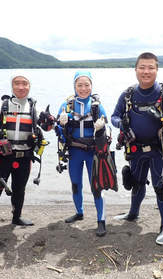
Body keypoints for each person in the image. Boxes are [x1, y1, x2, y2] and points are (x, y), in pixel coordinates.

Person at [111, 52, 163, 245]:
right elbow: (114, 116)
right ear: (135, 69)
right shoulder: (127, 94)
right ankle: (133, 214)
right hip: (135, 149)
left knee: (161, 188)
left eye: (151, 67)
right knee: (136, 182)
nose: (146, 71)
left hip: (159, 151)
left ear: (157, 70)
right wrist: (122, 123)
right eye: (142, 67)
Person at [0, 74, 47, 243]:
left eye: (25, 83)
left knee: (19, 190)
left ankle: (16, 217)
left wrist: (52, 121)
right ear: (12, 86)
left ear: (29, 86)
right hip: (3, 158)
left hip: (25, 157)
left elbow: (48, 127)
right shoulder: (0, 106)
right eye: (17, 83)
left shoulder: (35, 109)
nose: (21, 87)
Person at [56, 71, 108, 237]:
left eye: (87, 85)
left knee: (97, 187)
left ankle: (101, 220)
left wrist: (103, 126)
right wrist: (59, 123)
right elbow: (57, 128)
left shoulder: (96, 105)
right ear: (74, 86)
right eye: (80, 85)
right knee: (76, 184)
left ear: (91, 86)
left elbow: (108, 126)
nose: (83, 88)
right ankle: (79, 212)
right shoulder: (66, 106)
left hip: (93, 152)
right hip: (74, 151)